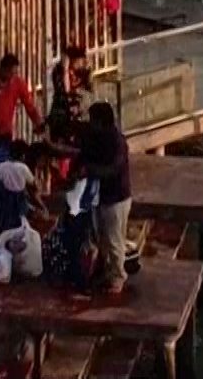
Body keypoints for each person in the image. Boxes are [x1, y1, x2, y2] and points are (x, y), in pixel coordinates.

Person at [73, 101, 132, 294]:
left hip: (117, 196)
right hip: (101, 195)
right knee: (101, 237)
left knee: (114, 238)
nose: (90, 124)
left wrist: (89, 170)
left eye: (93, 121)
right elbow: (82, 154)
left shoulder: (117, 142)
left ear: (102, 122)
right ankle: (106, 272)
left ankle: (117, 276)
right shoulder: (95, 138)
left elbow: (114, 169)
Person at [0, 53, 44, 146]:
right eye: (10, 72)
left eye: (15, 73)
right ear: (2, 69)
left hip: (5, 134)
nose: (12, 76)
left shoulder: (18, 83)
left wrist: (38, 122)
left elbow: (29, 106)